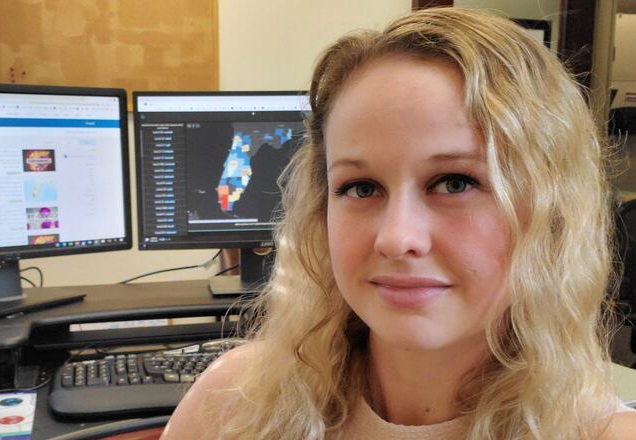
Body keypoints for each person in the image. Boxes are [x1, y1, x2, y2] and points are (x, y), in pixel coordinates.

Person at [162, 8, 636, 439]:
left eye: (454, 183)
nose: (396, 238)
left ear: (551, 209)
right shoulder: (234, 402)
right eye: (361, 188)